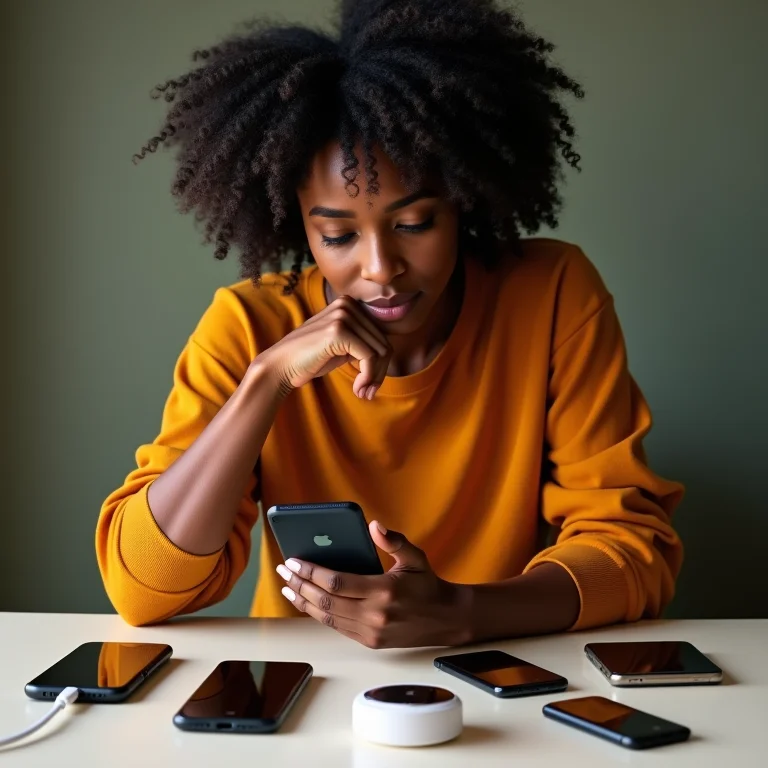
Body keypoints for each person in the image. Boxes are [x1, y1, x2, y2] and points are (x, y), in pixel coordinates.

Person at [96, 0, 684, 648]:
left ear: (464, 198)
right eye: (338, 234)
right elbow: (139, 590)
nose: (381, 268)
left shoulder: (552, 296)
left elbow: (633, 550)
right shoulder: (247, 325)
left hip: (498, 672)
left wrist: (464, 613)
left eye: (415, 224)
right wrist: (265, 383)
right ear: (298, 224)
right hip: (304, 693)